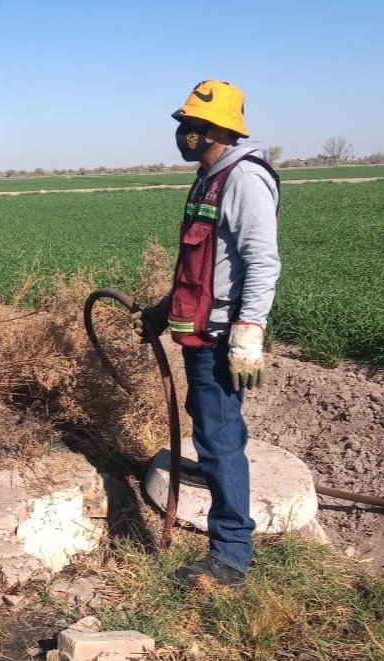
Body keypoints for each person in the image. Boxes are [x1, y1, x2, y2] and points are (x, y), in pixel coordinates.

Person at [133, 80, 281, 589]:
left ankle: (231, 555)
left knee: (217, 435)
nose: (183, 132)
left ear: (219, 129)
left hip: (222, 337)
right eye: (182, 123)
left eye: (191, 125)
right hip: (197, 331)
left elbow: (262, 262)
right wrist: (161, 309)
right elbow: (201, 266)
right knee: (212, 421)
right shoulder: (207, 178)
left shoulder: (244, 179)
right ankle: (220, 476)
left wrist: (249, 331)